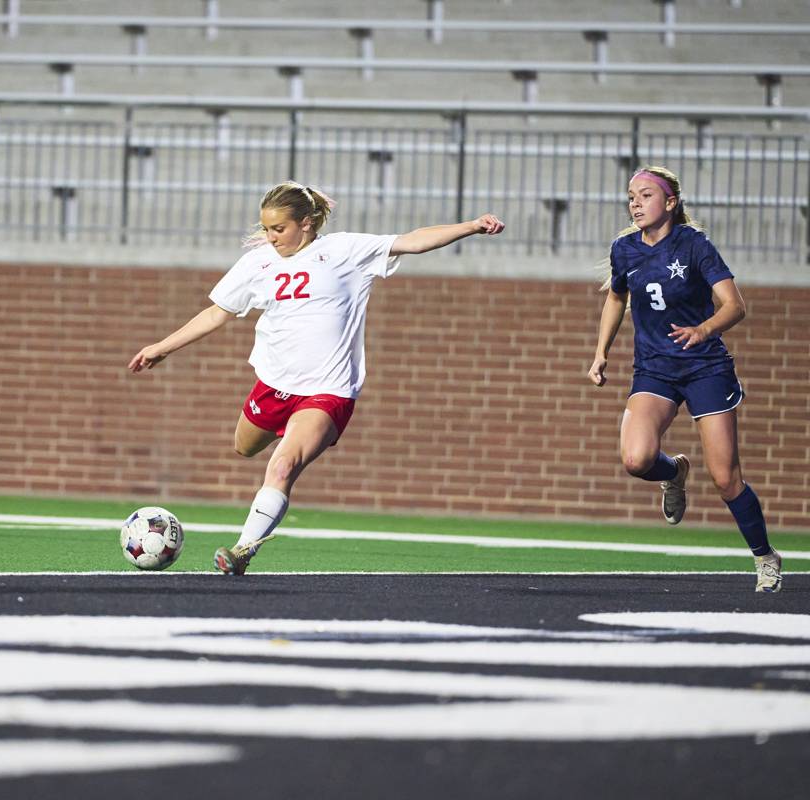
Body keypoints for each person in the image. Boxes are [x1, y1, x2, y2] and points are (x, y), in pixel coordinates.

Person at [129, 181, 504, 575]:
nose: (271, 238)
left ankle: (242, 550)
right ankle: (288, 438)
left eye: (279, 229)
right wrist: (162, 346)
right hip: (274, 385)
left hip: (328, 391)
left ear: (306, 223)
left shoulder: (343, 251)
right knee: (244, 447)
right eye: (267, 229)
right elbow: (216, 313)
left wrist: (472, 225)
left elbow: (411, 241)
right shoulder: (258, 262)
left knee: (282, 466)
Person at [587, 165, 781, 593]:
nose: (634, 203)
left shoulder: (694, 245)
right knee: (637, 459)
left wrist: (704, 329)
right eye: (630, 196)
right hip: (655, 368)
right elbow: (617, 297)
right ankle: (673, 471)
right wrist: (601, 351)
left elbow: (735, 305)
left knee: (726, 478)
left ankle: (765, 556)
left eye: (645, 196)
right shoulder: (625, 249)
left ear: (670, 203)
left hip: (703, 366)